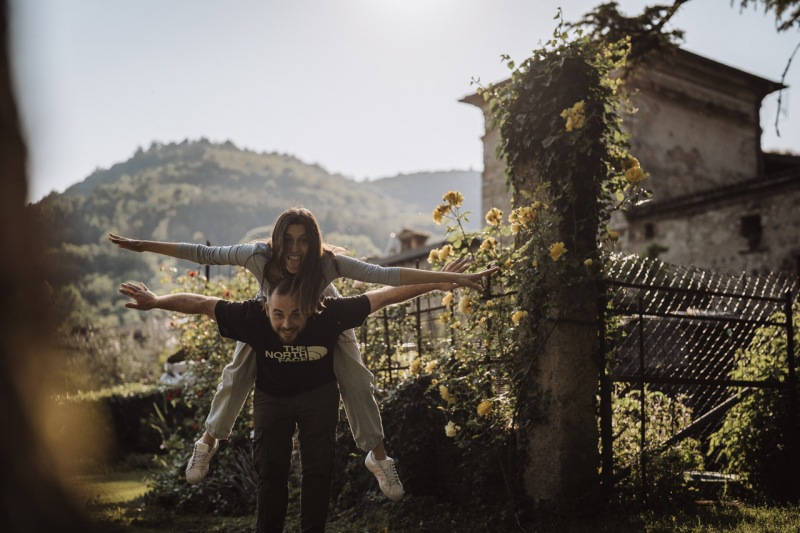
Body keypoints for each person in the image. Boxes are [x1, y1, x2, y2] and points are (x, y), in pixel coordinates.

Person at [108, 206, 496, 500]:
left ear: (314, 240)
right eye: (288, 240)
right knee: (239, 368)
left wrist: (451, 279)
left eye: (303, 240)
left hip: (324, 316)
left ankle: (378, 457)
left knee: (358, 378)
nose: (295, 250)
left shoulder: (329, 263)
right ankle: (208, 441)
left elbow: (385, 278)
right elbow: (201, 255)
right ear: (277, 239)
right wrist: (144, 247)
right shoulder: (256, 255)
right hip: (273, 318)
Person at [119, 260, 480, 533]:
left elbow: (386, 295)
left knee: (318, 471)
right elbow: (201, 302)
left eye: (295, 315)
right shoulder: (250, 316)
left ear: (310, 308)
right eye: (278, 315)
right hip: (271, 399)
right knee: (270, 473)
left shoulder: (330, 313)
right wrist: (155, 301)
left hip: (317, 397)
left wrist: (438, 280)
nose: (287, 323)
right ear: (266, 310)